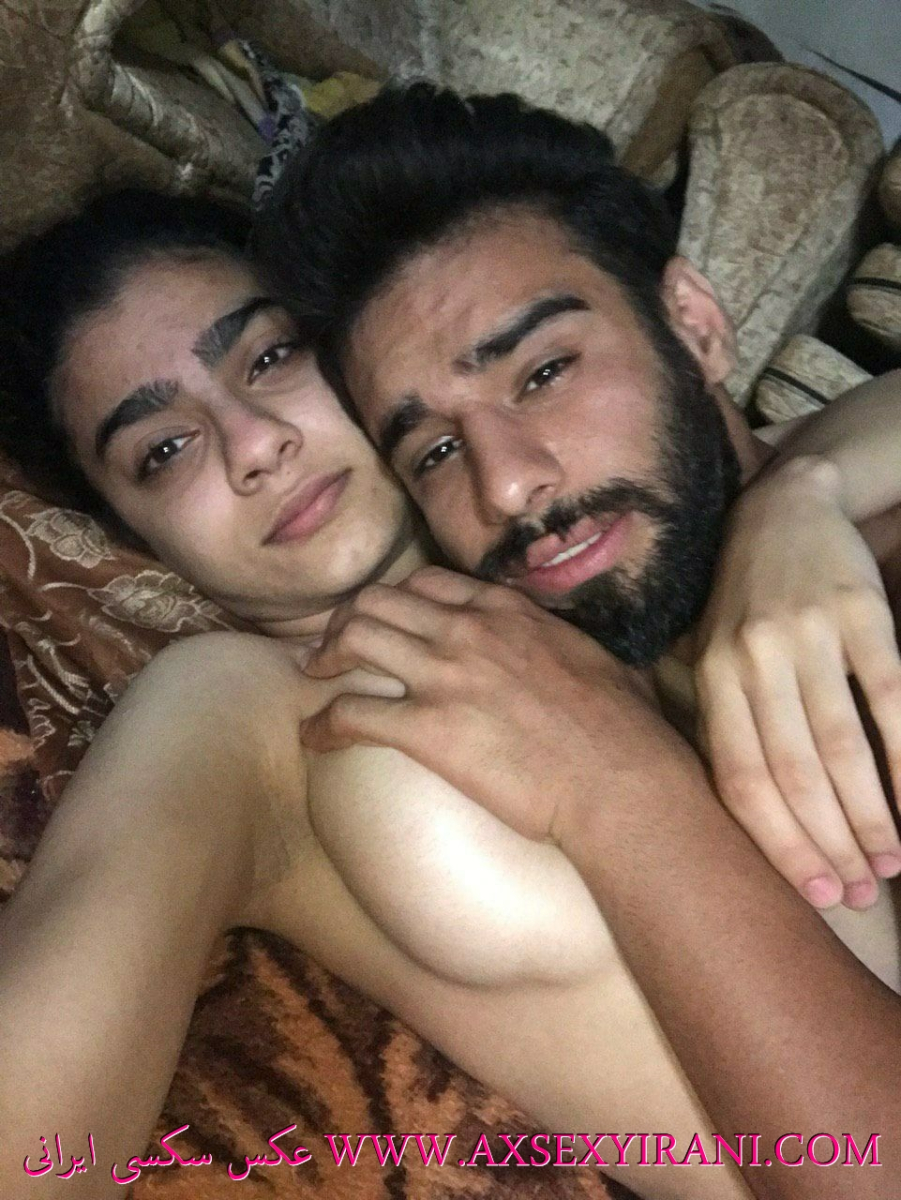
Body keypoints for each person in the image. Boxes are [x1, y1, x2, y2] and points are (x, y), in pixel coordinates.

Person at [0, 186, 897, 1200]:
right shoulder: (242, 711)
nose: (254, 445)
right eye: (164, 451)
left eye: (270, 357)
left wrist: (800, 497)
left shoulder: (591, 535)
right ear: (135, 537)